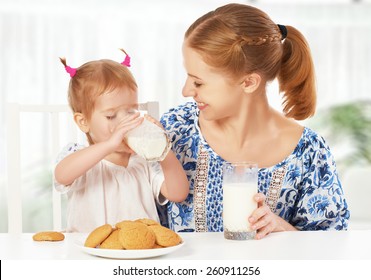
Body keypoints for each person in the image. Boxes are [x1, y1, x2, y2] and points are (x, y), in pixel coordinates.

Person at [160, 3, 349, 238]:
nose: (186, 90)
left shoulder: (308, 152)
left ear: (248, 82)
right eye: (188, 76)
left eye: (198, 82)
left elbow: (333, 246)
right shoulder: (174, 129)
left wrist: (283, 229)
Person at [55, 50, 188, 232]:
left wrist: (163, 150)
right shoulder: (80, 158)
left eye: (131, 111)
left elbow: (178, 193)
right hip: (89, 252)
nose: (124, 121)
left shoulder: (143, 162)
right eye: (111, 116)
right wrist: (109, 145)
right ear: (83, 122)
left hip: (139, 253)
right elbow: (62, 175)